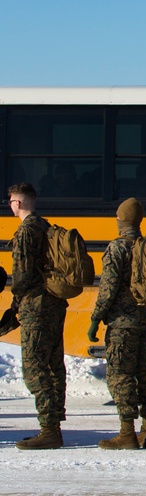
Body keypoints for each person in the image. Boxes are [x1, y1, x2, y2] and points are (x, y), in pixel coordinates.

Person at [88, 198, 146, 450]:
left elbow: (107, 289)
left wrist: (96, 318)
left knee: (120, 375)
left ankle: (126, 432)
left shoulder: (117, 248)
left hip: (123, 324)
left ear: (120, 220)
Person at [8, 183, 69, 450]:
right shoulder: (46, 226)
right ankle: (54, 425)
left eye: (10, 201)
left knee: (34, 368)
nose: (9, 205)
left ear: (18, 203)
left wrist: (15, 304)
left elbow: (21, 276)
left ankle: (49, 430)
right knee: (54, 365)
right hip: (55, 302)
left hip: (36, 306)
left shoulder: (26, 231)